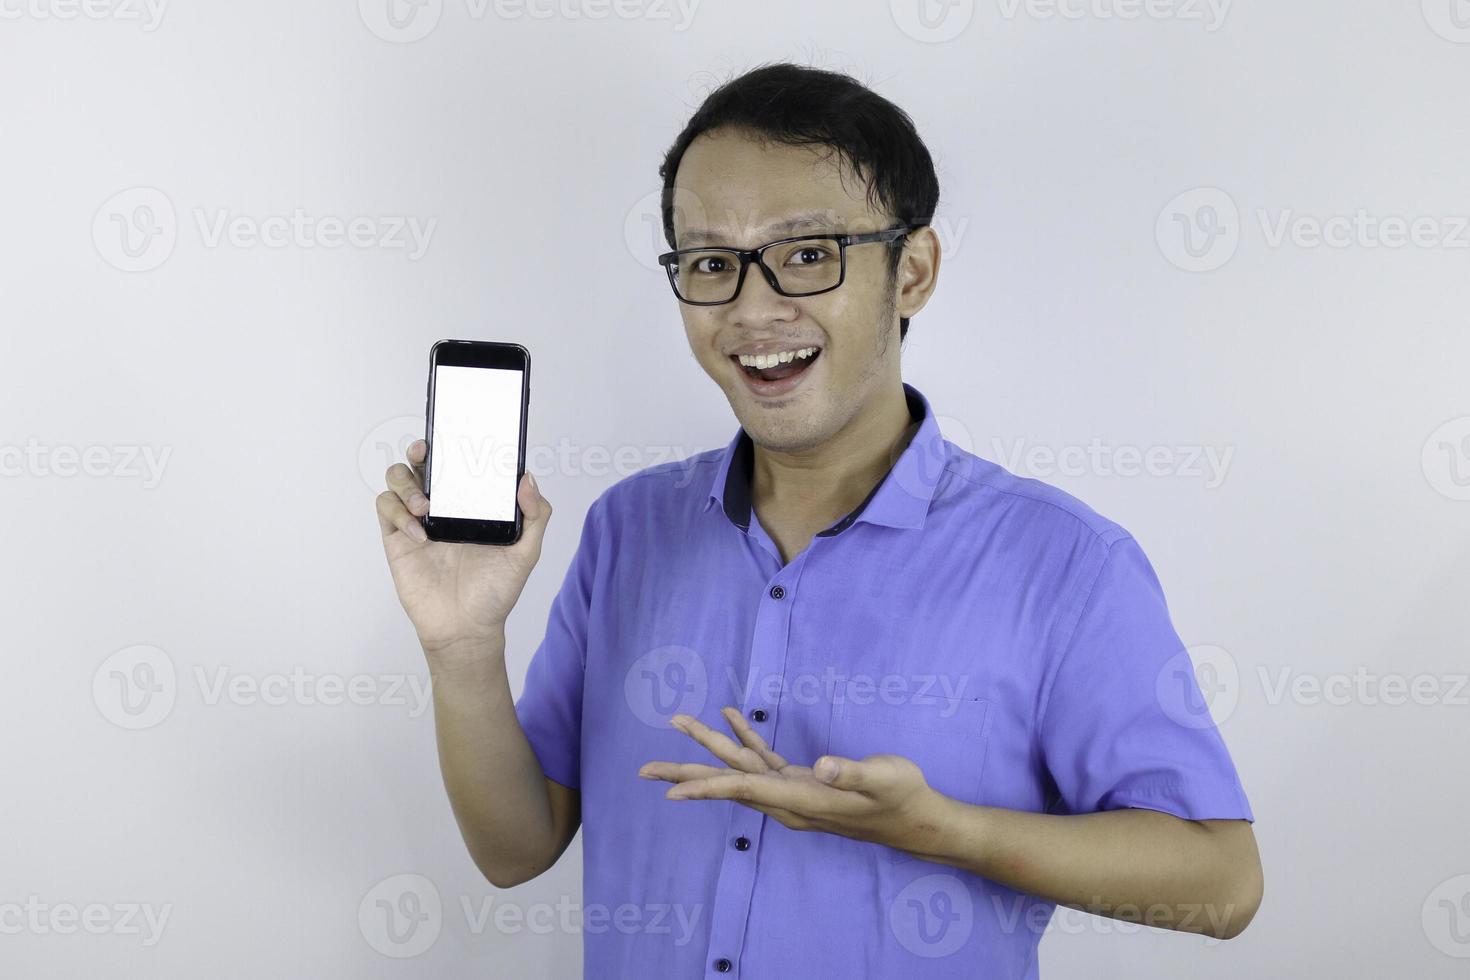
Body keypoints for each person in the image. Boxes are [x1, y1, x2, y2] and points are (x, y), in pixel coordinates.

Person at [375, 61, 1262, 978]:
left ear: (911, 271)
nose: (754, 311)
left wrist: (945, 831)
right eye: (712, 263)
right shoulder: (627, 528)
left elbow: (1222, 883)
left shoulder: (1064, 563)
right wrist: (463, 648)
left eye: (808, 253)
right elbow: (516, 850)